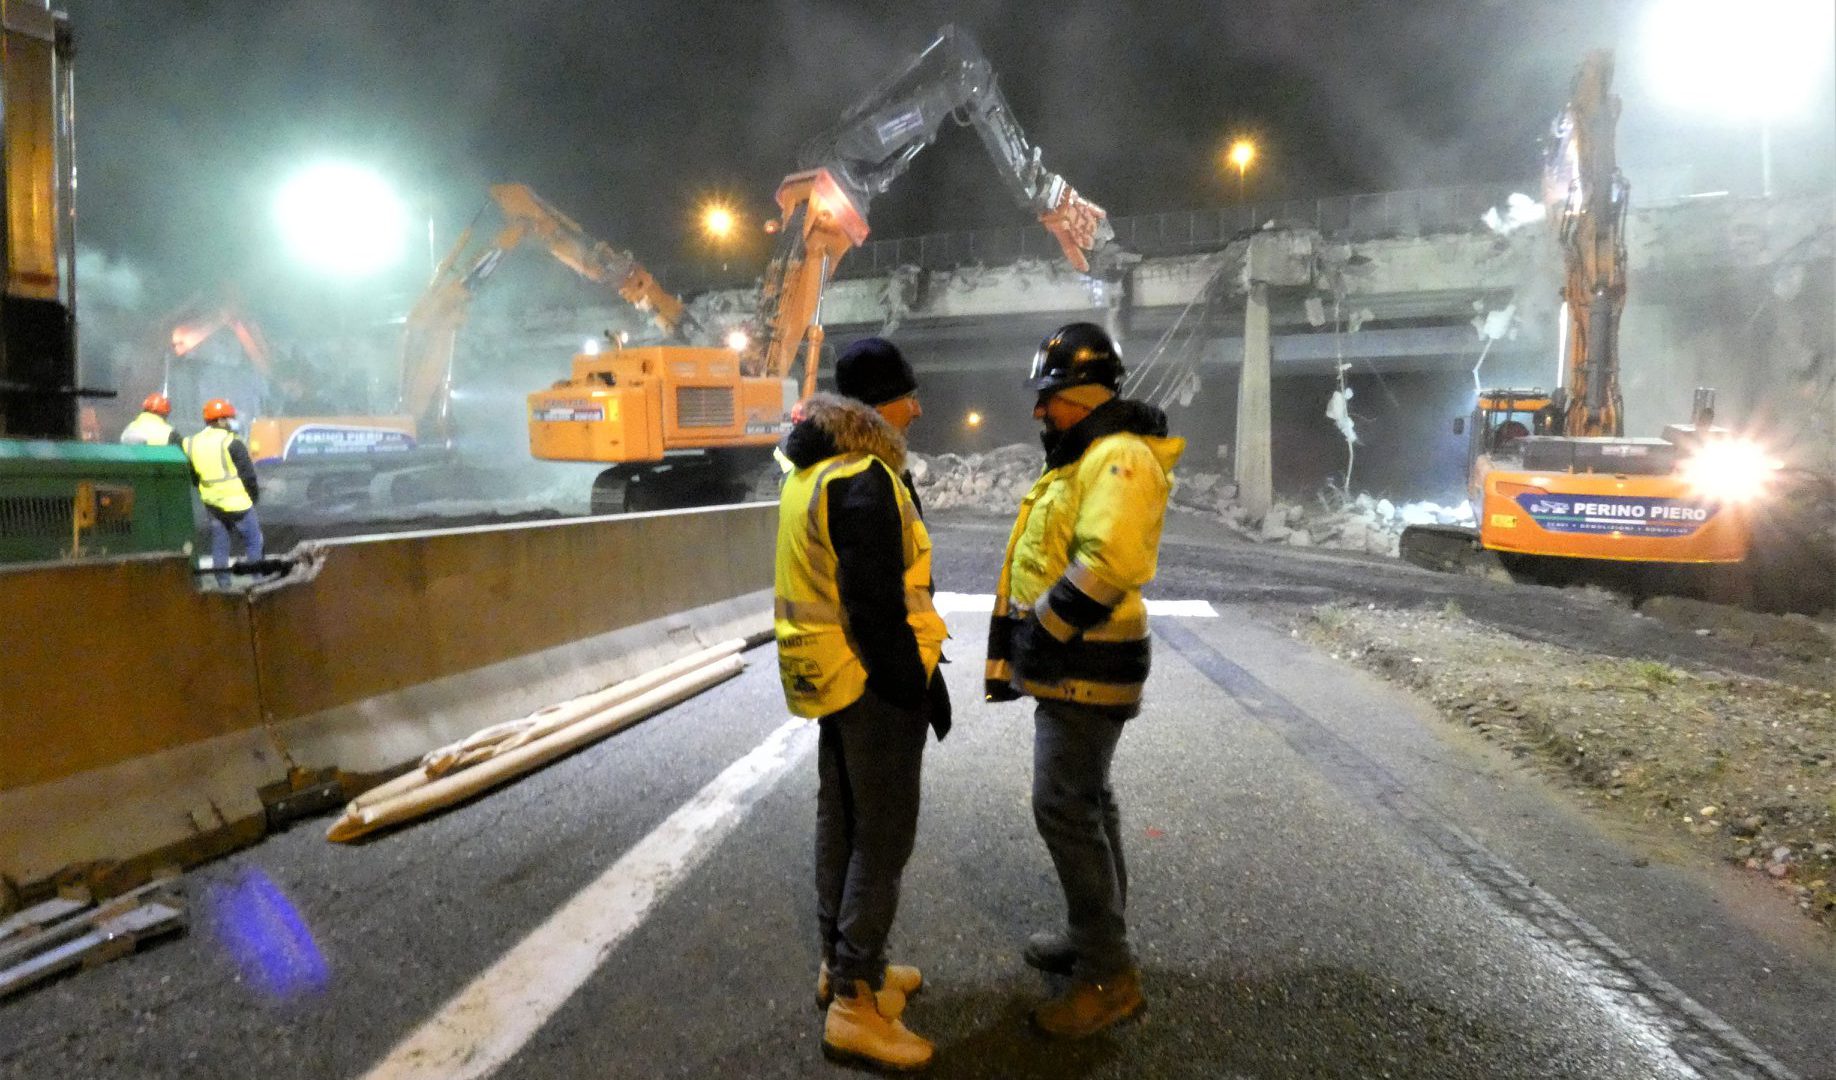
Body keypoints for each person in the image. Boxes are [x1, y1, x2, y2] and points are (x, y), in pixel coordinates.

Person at [983, 322, 1183, 1039]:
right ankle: (1095, 937)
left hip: (1087, 663)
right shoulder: (1094, 453)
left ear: (1084, 393)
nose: (1040, 412)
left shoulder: (1117, 456)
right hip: (1081, 663)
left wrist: (1044, 632)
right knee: (1088, 803)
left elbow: (1109, 560)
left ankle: (1107, 974)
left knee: (1064, 808)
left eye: (1049, 398)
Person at [775, 336, 950, 1072]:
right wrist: (914, 688)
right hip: (871, 679)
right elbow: (876, 605)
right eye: (908, 393)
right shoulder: (865, 477)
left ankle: (847, 968)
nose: (917, 405)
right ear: (880, 403)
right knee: (882, 838)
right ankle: (853, 1004)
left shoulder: (812, 471)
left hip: (830, 677)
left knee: (840, 823)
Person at [183, 398, 263, 588]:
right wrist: (253, 496)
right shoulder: (232, 442)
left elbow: (192, 475)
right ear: (220, 420)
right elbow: (248, 475)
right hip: (238, 503)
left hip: (212, 503)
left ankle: (223, 583)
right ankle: (259, 580)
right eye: (228, 418)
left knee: (220, 542)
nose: (231, 422)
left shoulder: (191, 443)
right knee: (253, 540)